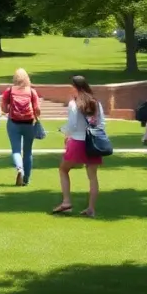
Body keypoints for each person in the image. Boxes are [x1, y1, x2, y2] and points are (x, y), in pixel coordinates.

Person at [54, 76, 105, 217]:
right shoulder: (96, 103)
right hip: (93, 142)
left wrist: (63, 132)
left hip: (78, 141)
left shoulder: (74, 103)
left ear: (76, 87)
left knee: (63, 169)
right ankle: (91, 208)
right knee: (93, 176)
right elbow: (102, 124)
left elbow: (72, 125)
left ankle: (66, 201)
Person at [2, 68, 40, 187]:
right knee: (28, 152)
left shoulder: (9, 91)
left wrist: (10, 110)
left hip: (13, 122)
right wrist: (36, 116)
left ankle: (19, 168)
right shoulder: (31, 92)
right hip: (29, 123)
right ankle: (26, 179)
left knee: (16, 150)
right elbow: (37, 110)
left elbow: (3, 108)